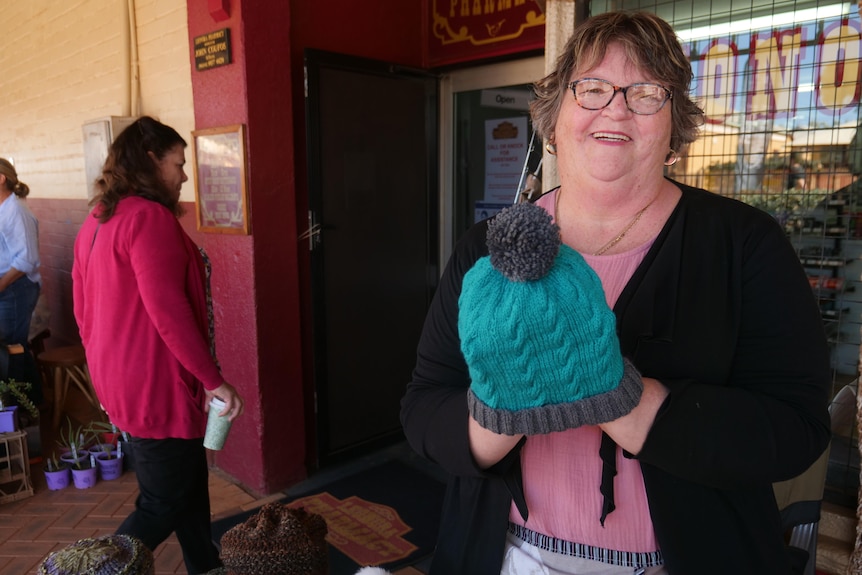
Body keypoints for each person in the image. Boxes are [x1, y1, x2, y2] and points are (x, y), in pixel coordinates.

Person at [401, 11, 831, 575]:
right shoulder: (487, 248)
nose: (616, 107)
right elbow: (424, 407)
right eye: (593, 88)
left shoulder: (744, 244)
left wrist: (623, 397)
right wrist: (498, 411)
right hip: (505, 556)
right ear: (554, 119)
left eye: (647, 92)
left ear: (675, 129)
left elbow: (796, 430)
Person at [72, 116, 244, 574]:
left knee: (188, 484)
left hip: (120, 379)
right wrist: (214, 381)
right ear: (151, 159)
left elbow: (81, 310)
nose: (184, 176)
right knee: (161, 503)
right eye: (178, 163)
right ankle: (93, 570)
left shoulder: (97, 220)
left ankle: (205, 566)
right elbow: (168, 311)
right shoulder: (148, 218)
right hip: (155, 382)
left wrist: (102, 373)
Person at [0, 158, 43, 407]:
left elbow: (27, 258)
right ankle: (33, 405)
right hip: (9, 286)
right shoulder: (4, 208)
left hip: (16, 288)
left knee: (10, 350)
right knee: (15, 346)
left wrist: (2, 285)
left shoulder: (16, 210)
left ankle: (19, 410)